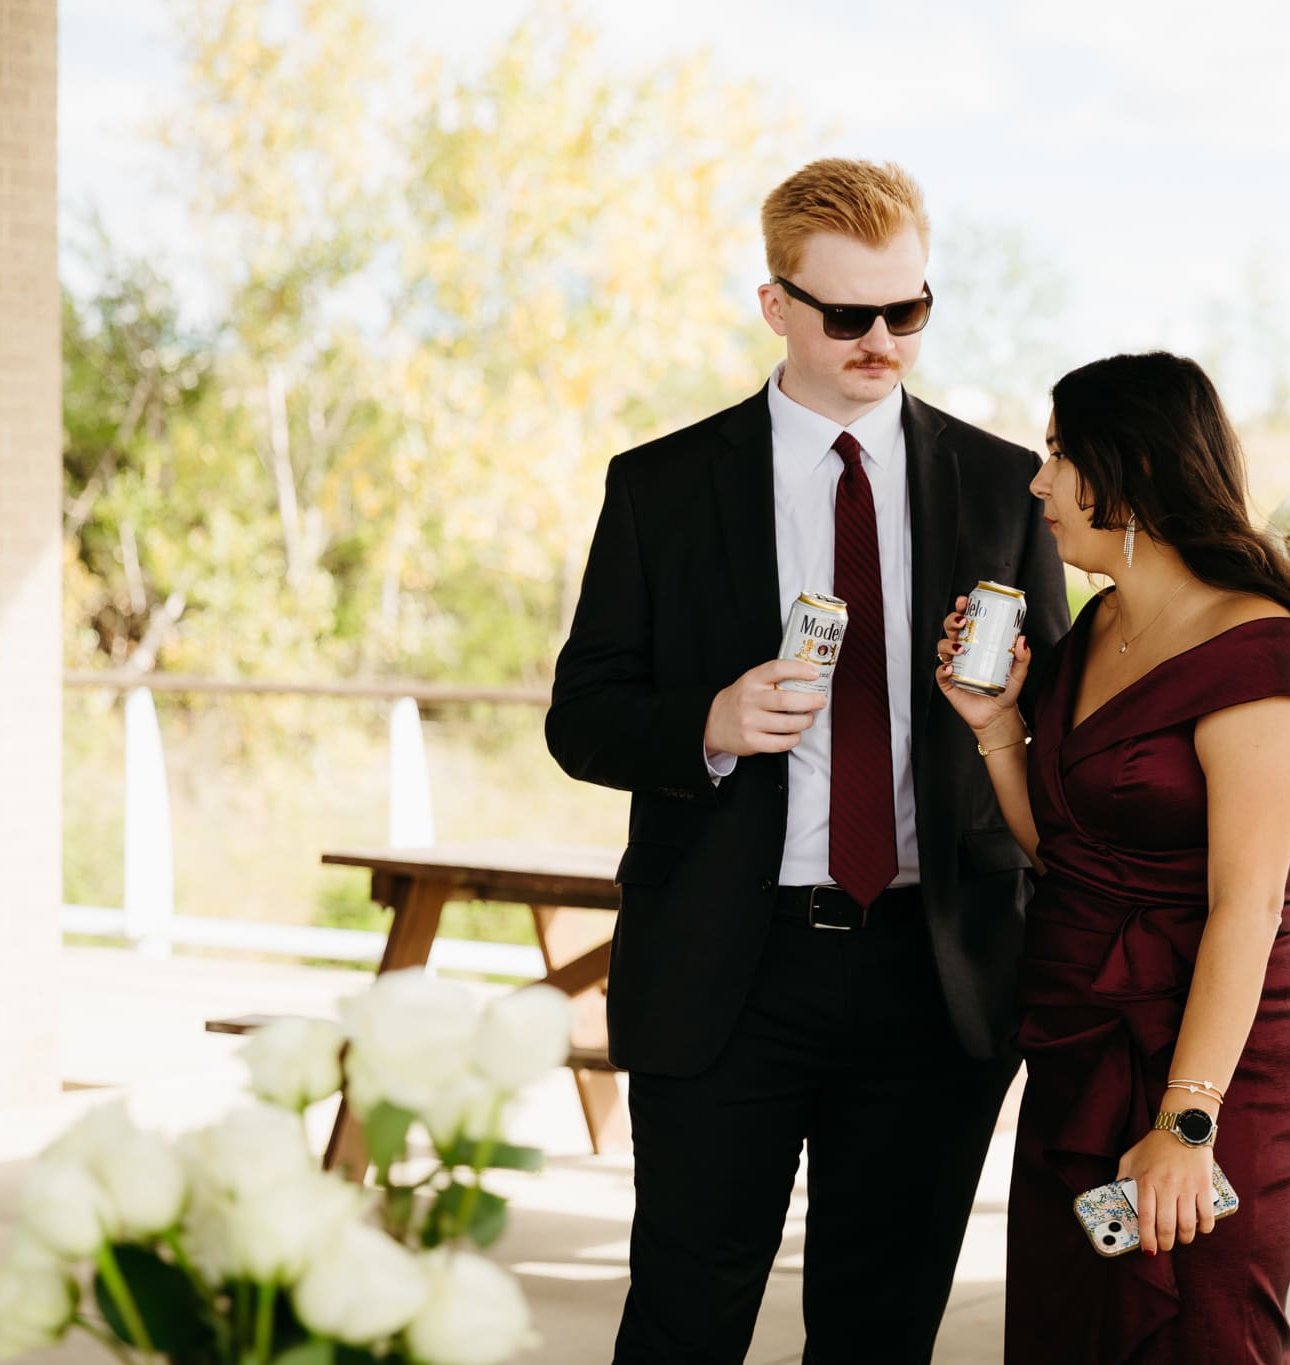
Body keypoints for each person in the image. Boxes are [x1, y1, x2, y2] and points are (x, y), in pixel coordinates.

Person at [546, 158, 1069, 1363]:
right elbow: (581, 715)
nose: (883, 342)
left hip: (934, 974)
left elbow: (1059, 730)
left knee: (882, 1330)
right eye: (848, 316)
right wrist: (709, 723)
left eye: (909, 311)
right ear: (775, 305)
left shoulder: (1002, 486)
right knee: (684, 1318)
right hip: (727, 970)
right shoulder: (661, 487)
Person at [934, 352, 1290, 1364]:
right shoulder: (1098, 625)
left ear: (1127, 466)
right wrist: (996, 725)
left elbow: (1244, 908)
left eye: (1057, 454)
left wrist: (1185, 1125)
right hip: (1076, 1046)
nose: (1036, 482)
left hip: (1219, 1075)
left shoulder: (1263, 655)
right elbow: (1068, 851)